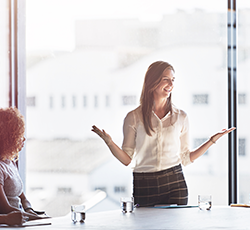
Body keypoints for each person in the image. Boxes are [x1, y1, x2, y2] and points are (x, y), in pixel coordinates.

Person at [92, 61, 235, 207]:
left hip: (175, 182)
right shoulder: (133, 117)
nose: (171, 84)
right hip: (144, 183)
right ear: (152, 81)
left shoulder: (181, 117)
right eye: (165, 79)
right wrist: (109, 142)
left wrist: (211, 141)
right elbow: (127, 160)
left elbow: (186, 158)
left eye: (173, 80)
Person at [0, 107, 44, 218]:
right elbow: (4, 209)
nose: (24, 139)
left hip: (20, 219)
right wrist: (34, 218)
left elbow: (22, 197)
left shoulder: (8, 162)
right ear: (6, 138)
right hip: (5, 225)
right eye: (19, 135)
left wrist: (29, 210)